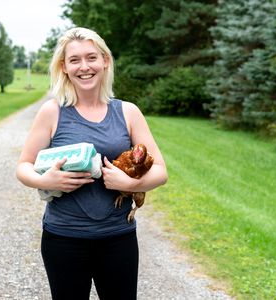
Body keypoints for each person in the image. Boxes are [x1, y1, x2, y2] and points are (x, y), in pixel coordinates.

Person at [16, 27, 168, 300]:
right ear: (64, 67)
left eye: (91, 58)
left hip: (117, 237)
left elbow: (160, 172)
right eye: (75, 60)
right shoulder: (52, 112)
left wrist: (130, 183)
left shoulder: (128, 112)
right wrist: (45, 181)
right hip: (63, 238)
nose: (84, 67)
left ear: (105, 61)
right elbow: (23, 166)